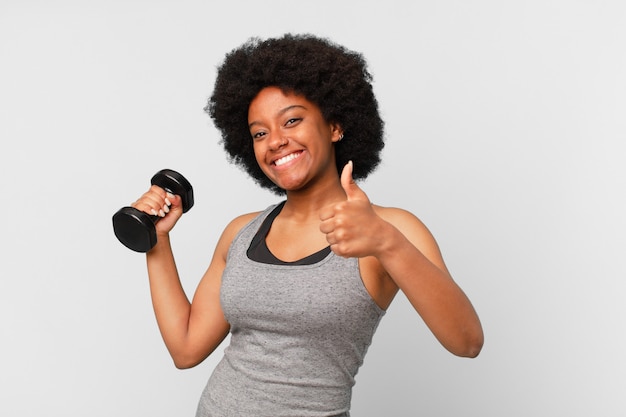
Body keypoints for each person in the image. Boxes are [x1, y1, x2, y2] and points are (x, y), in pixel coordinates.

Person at [131, 33, 484, 417]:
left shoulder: (391, 227)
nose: (276, 142)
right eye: (260, 133)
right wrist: (157, 241)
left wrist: (386, 242)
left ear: (334, 126)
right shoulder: (241, 232)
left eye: (292, 121)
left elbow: (467, 342)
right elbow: (186, 349)